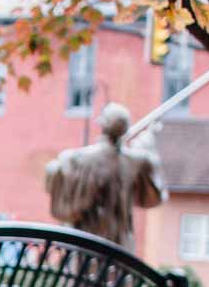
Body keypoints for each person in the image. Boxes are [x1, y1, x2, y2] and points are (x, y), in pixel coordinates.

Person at [45, 102, 167, 249]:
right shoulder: (136, 161)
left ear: (102, 126)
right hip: (121, 250)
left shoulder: (79, 160)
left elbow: (58, 178)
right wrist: (147, 146)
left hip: (86, 247)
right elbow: (153, 191)